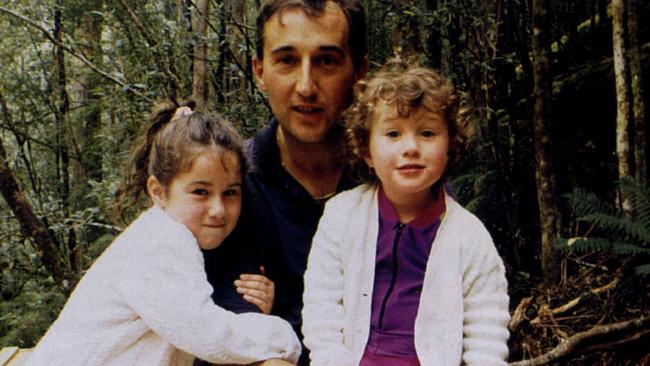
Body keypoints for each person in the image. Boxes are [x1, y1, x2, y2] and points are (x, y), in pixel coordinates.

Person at [24, 101, 301, 366]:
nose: (218, 209)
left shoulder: (172, 236)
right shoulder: (161, 242)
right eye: (200, 192)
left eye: (230, 193)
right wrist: (281, 335)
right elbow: (206, 333)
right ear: (158, 191)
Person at [301, 62, 510, 365]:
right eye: (393, 133)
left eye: (427, 133)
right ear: (366, 150)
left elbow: (486, 333)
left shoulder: (469, 236)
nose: (411, 147)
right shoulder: (342, 216)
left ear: (450, 146)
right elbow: (322, 308)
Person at [203, 0, 368, 364]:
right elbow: (226, 333)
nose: (306, 86)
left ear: (359, 71)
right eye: (287, 60)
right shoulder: (229, 188)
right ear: (260, 71)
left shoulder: (397, 182)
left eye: (326, 60)